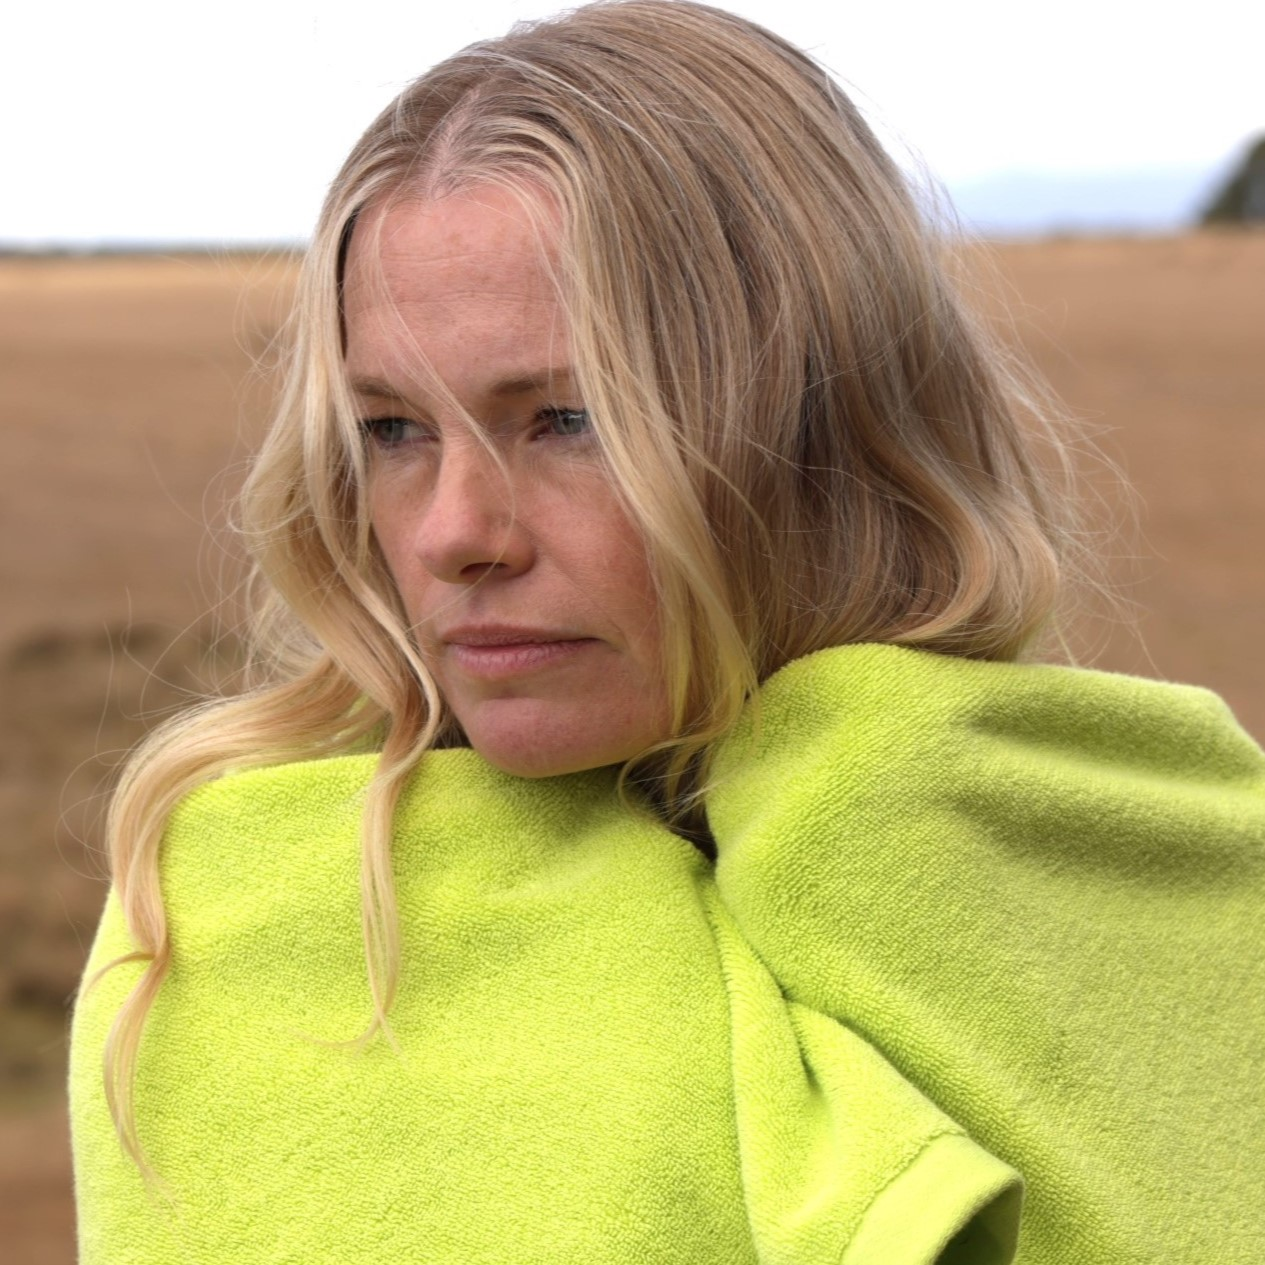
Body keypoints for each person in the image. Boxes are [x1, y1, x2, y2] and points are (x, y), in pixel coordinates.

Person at [70, 2, 1265, 1262]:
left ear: (819, 424)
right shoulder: (251, 913)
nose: (452, 534)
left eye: (568, 418)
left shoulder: (1137, 860)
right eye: (392, 430)